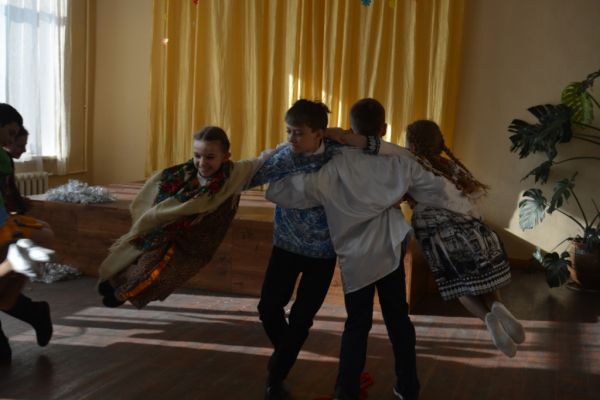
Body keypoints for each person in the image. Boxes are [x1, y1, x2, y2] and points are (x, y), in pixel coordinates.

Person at [265, 98, 473, 400]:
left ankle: (346, 391)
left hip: (357, 258)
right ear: (384, 129)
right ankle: (408, 386)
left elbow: (298, 191)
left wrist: (272, 186)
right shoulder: (400, 163)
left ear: (351, 129)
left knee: (357, 325)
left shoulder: (337, 164)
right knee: (398, 322)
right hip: (389, 252)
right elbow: (438, 189)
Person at [247, 99, 379, 400]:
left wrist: (339, 134)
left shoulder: (338, 153)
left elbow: (374, 150)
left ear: (318, 133)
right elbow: (251, 175)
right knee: (268, 308)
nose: (291, 138)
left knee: (302, 317)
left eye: (298, 133)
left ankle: (276, 376)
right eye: (288, 131)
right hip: (285, 247)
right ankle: (285, 355)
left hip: (322, 253)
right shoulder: (283, 156)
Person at [404, 119, 525, 357]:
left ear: (413, 146)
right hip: (475, 230)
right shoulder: (450, 166)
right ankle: (497, 306)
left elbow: (396, 191)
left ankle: (487, 318)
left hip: (439, 233)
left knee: (460, 286)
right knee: (484, 280)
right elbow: (472, 198)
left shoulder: (411, 166)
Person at [0, 103, 53, 363]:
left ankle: (35, 314)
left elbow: (7, 195)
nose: (13, 142)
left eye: (15, 135)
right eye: (11, 134)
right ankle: (35, 314)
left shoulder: (2, 158)